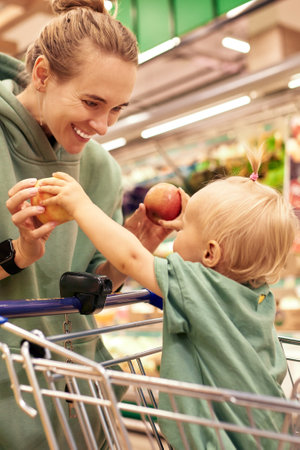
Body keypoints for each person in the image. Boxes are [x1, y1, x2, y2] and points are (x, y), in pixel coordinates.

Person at [39, 148, 298, 449]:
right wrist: (198, 224)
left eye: (185, 229)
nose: (178, 231)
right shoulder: (258, 293)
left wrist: (81, 206)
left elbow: (130, 257)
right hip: (263, 434)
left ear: (210, 253)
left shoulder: (198, 284)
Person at [0, 0, 170, 448]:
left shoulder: (100, 168)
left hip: (78, 407)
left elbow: (94, 288)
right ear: (41, 74)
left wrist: (134, 242)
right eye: (92, 102)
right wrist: (19, 255)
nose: (104, 125)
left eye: (117, 108)